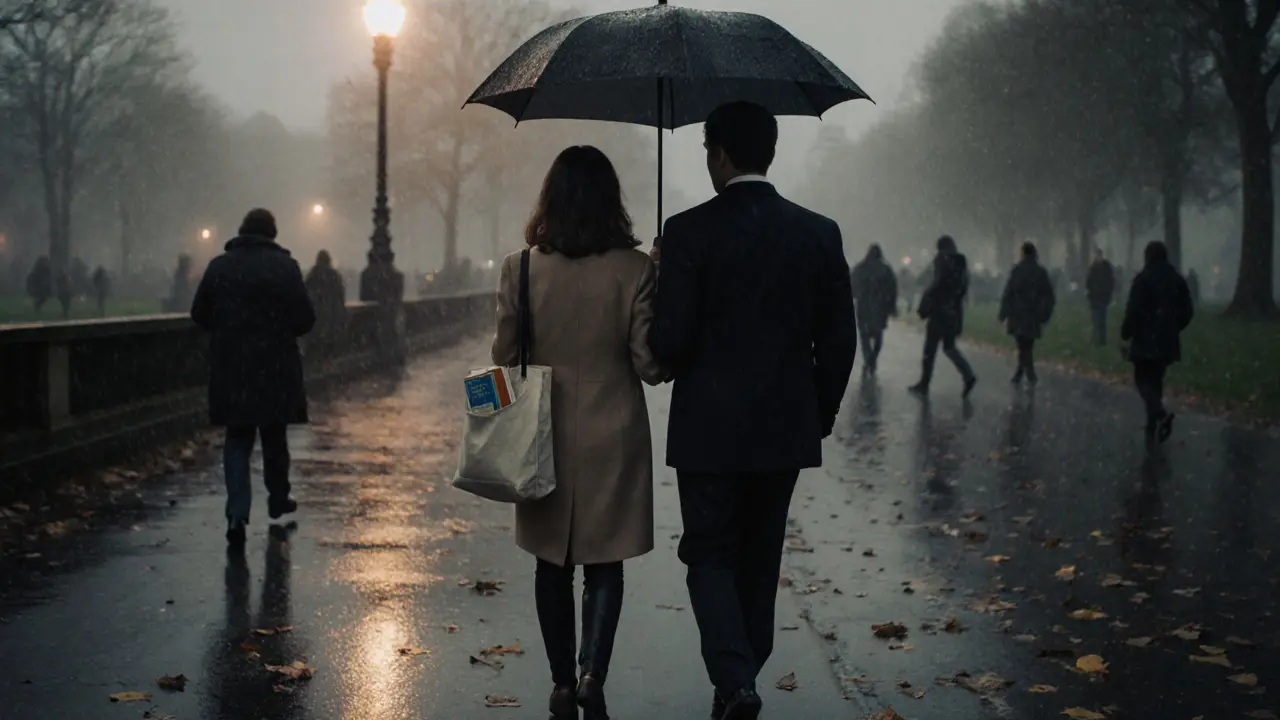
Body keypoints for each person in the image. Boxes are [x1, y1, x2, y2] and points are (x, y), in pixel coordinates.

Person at [648, 101, 856, 720]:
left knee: (709, 553)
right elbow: (840, 342)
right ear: (768, 151)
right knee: (762, 558)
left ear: (718, 153)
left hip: (708, 431)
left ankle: (736, 681)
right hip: (782, 429)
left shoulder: (687, 233)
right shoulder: (818, 233)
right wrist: (815, 412)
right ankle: (739, 679)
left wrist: (665, 286)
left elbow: (671, 345)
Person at [492, 146, 667, 720]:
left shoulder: (520, 269)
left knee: (550, 562)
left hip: (541, 429)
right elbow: (649, 365)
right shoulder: (637, 269)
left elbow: (503, 358)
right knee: (605, 561)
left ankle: (561, 681)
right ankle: (594, 671)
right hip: (612, 428)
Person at [191, 209, 314, 548]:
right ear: (272, 234)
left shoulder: (220, 266)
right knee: (274, 436)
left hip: (232, 365)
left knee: (237, 438)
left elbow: (199, 313)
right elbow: (305, 320)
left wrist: (229, 328)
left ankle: (237, 513)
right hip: (274, 366)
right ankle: (278, 498)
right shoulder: (285, 267)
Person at [1121, 241, 1193, 445]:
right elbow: (1187, 310)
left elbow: (1133, 309)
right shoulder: (1176, 280)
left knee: (1142, 380)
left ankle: (1158, 415)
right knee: (1156, 379)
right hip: (1167, 339)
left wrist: (1126, 332)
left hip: (1145, 338)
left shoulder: (1143, 279)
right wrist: (1174, 326)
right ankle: (1152, 424)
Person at [910, 235, 977, 398]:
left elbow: (937, 283)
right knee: (949, 347)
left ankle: (924, 383)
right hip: (954, 310)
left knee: (929, 349)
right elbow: (961, 287)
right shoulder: (961, 263)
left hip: (939, 311)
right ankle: (968, 374)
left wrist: (927, 301)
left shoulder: (942, 260)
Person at [998, 242, 1056, 385]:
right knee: (1027, 344)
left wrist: (1003, 312)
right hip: (1033, 313)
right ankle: (1025, 372)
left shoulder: (1017, 270)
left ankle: (1026, 373)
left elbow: (1008, 292)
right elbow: (1049, 295)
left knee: (1022, 344)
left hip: (1018, 313)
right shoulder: (1040, 272)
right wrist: (1045, 313)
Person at [850, 243, 898, 375]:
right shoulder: (885, 269)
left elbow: (852, 285)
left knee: (864, 337)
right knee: (878, 336)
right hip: (880, 308)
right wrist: (891, 305)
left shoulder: (861, 268)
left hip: (864, 306)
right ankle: (873, 358)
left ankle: (868, 359)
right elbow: (892, 289)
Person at [304, 250, 347, 361]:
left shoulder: (312, 274)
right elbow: (340, 298)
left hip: (315, 317)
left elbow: (304, 294)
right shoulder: (334, 276)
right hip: (330, 317)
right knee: (327, 349)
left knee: (314, 346)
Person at [1086, 248, 1116, 346]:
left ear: (1101, 256)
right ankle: (1096, 339)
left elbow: (1110, 282)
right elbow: (1088, 282)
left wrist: (1107, 294)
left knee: (1102, 320)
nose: (1097, 257)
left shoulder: (1106, 268)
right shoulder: (1092, 268)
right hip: (1095, 297)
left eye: (1098, 255)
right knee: (1095, 320)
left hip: (1103, 297)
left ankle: (1102, 340)